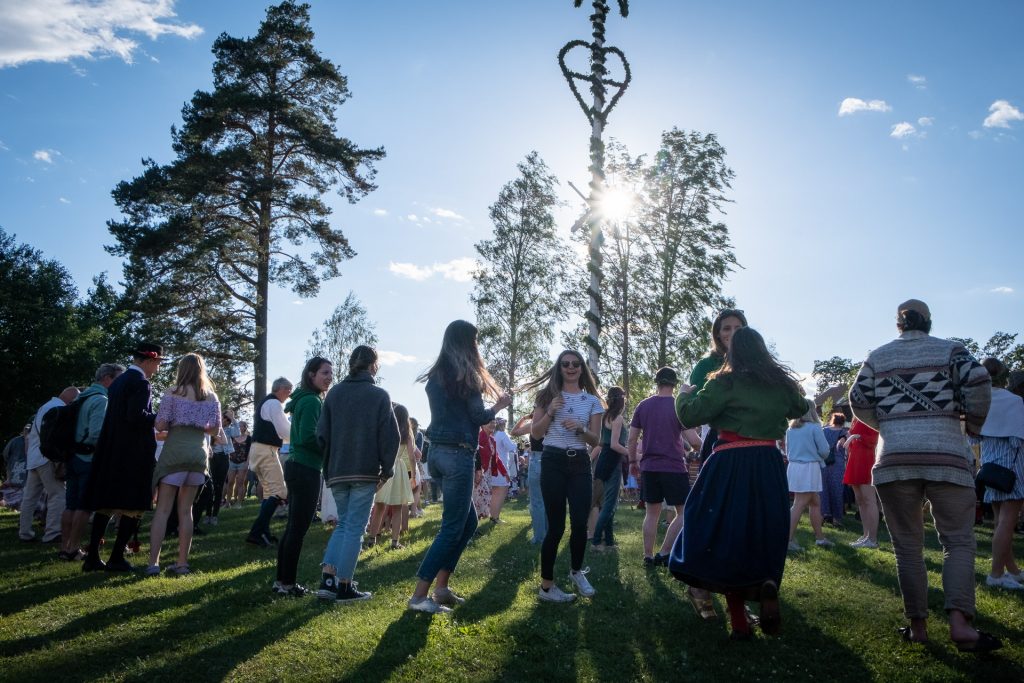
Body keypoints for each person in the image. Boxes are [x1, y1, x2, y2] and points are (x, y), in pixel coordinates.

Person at [849, 299, 999, 652]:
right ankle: (961, 624)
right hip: (947, 454)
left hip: (895, 459)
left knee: (907, 548)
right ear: (928, 322)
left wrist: (887, 426)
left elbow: (857, 397)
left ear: (898, 324)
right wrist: (971, 426)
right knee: (958, 541)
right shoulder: (951, 351)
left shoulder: (877, 357)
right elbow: (979, 379)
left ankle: (918, 626)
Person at [671, 327, 810, 640]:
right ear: (763, 351)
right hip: (769, 462)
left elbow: (691, 416)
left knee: (722, 532)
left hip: (730, 462)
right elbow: (800, 408)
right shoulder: (781, 384)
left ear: (733, 353)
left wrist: (683, 394)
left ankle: (737, 622)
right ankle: (765, 585)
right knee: (761, 530)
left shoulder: (724, 381)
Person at [408, 320, 511, 614]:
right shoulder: (468, 376)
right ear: (469, 343)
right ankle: (419, 596)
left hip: (437, 453)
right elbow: (479, 416)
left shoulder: (436, 376)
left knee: (467, 523)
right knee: (452, 527)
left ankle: (441, 589)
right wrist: (499, 405)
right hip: (458, 454)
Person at [317, 346, 399, 604]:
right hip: (364, 470)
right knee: (354, 527)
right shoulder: (379, 396)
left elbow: (321, 434)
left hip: (338, 469)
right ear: (374, 366)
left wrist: (330, 461)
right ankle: (344, 585)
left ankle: (327, 580)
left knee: (344, 523)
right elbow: (390, 438)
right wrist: (386, 470)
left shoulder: (334, 394)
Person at [526, 350, 604, 603]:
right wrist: (549, 412)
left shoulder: (592, 401)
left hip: (580, 461)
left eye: (575, 364)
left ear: (582, 368)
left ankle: (576, 572)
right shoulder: (547, 396)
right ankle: (547, 588)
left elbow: (596, 440)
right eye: (565, 364)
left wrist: (581, 429)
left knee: (580, 522)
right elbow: (536, 435)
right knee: (556, 526)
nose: (570, 367)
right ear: (559, 368)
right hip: (553, 460)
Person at [82, 342, 164, 572]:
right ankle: (117, 556)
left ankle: (93, 556)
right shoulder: (141, 383)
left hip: (112, 449)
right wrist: (161, 415)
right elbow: (136, 416)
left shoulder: (118, 382)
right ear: (149, 361)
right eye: (158, 363)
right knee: (132, 504)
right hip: (133, 452)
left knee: (106, 502)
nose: (158, 368)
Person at [147, 353, 221, 576]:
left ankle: (153, 563)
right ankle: (182, 563)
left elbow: (160, 425)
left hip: (175, 453)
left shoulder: (172, 392)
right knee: (186, 510)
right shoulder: (211, 397)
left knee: (163, 510)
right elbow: (216, 430)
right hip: (198, 455)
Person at [628, 367, 701, 567]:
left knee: (652, 514)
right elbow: (694, 441)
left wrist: (633, 462)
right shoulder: (678, 406)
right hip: (674, 467)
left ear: (657, 382)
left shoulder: (643, 406)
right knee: (684, 512)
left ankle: (648, 555)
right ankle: (665, 552)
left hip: (649, 467)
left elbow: (632, 438)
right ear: (675, 384)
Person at [274, 356, 333, 596]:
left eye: (331, 373)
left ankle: (282, 581)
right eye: (324, 373)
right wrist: (330, 447)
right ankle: (287, 583)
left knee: (293, 528)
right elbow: (310, 436)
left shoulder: (306, 399)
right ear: (311, 375)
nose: (329, 377)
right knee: (297, 529)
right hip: (305, 467)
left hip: (299, 466)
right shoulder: (311, 401)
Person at [61, 363, 125, 561]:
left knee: (70, 505)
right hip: (88, 458)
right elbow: (96, 434)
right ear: (107, 378)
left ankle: (65, 548)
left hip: (72, 457)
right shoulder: (101, 400)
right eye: (118, 379)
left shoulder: (82, 396)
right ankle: (74, 548)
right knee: (84, 506)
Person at [976, 357, 1024, 590]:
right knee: (1007, 522)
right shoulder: (1015, 402)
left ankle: (1012, 570)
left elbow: (974, 436)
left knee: (999, 521)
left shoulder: (981, 400)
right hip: (1012, 469)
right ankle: (996, 574)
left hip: (990, 467)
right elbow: (1018, 439)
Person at [19, 386, 80, 543]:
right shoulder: (59, 408)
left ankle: (25, 533)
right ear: (70, 399)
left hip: (34, 458)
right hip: (47, 458)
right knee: (58, 495)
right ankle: (52, 533)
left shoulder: (45, 406)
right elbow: (55, 437)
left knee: (29, 498)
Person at [689, 309, 748, 463]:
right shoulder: (706, 365)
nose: (733, 333)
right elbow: (696, 406)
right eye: (727, 328)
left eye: (738, 328)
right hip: (718, 440)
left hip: (754, 442)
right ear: (718, 334)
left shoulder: (756, 364)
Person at [245, 377, 293, 548]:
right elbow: (284, 429)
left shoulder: (267, 403)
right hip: (267, 450)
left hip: (258, 450)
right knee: (280, 491)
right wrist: (301, 436)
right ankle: (256, 533)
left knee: (269, 493)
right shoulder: (274, 404)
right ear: (281, 389)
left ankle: (264, 532)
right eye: (288, 390)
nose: (289, 395)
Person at [367, 403, 417, 550]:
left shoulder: (387, 430)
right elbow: (412, 457)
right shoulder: (407, 434)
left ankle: (372, 538)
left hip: (386, 467)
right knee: (397, 508)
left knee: (379, 505)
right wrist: (413, 475)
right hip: (399, 470)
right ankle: (394, 542)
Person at [785, 404, 833, 552]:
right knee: (799, 504)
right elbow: (824, 450)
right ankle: (787, 540)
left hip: (795, 467)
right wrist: (818, 456)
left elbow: (787, 451)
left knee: (815, 502)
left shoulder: (790, 429)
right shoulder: (814, 427)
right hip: (809, 468)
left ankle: (820, 538)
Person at [591, 386, 628, 551]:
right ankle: (596, 542)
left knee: (608, 504)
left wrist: (589, 458)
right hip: (613, 462)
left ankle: (610, 542)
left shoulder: (606, 416)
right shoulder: (617, 418)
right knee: (609, 505)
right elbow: (614, 445)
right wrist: (633, 455)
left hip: (604, 461)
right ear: (621, 400)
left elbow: (602, 444)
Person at [843, 417, 881, 548]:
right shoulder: (856, 417)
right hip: (855, 459)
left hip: (867, 459)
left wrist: (856, 436)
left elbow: (875, 440)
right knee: (860, 500)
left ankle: (873, 538)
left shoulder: (871, 416)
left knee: (869, 499)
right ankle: (866, 536)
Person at [511, 415, 546, 545]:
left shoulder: (534, 425)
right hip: (553, 459)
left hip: (537, 459)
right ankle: (548, 535)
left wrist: (524, 418)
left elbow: (514, 432)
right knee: (549, 501)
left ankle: (539, 537)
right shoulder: (554, 421)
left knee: (537, 501)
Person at [819, 413, 848, 528]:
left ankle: (824, 514)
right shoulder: (844, 432)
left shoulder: (823, 430)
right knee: (837, 490)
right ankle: (837, 518)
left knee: (824, 489)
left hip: (824, 462)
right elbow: (847, 448)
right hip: (838, 464)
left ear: (832, 419)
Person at [490, 417, 516, 521]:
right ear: (501, 425)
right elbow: (511, 447)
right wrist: (515, 444)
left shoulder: (493, 435)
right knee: (501, 491)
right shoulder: (502, 434)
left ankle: (493, 515)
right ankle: (495, 517)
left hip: (493, 467)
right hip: (501, 467)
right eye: (504, 424)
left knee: (495, 492)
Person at [1, 424, 31, 510]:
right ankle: (15, 506)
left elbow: (5, 454)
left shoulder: (14, 441)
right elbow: (5, 454)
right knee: (23, 489)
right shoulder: (35, 440)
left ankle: (14, 506)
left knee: (16, 489)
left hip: (15, 469)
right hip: (23, 470)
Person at [473, 420, 496, 519]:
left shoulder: (491, 439)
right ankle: (476, 515)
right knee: (481, 493)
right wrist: (478, 470)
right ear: (482, 425)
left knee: (484, 494)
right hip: (481, 469)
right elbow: (477, 454)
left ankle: (480, 515)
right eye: (489, 422)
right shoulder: (480, 436)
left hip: (488, 471)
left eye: (494, 422)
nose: (492, 424)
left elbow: (495, 457)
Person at [225, 420, 250, 507]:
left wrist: (247, 463)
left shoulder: (249, 438)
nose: (239, 427)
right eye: (238, 426)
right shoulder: (232, 437)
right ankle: (227, 502)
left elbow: (250, 452)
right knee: (230, 482)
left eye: (241, 426)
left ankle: (239, 503)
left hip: (242, 463)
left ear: (245, 427)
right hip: (231, 462)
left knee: (240, 483)